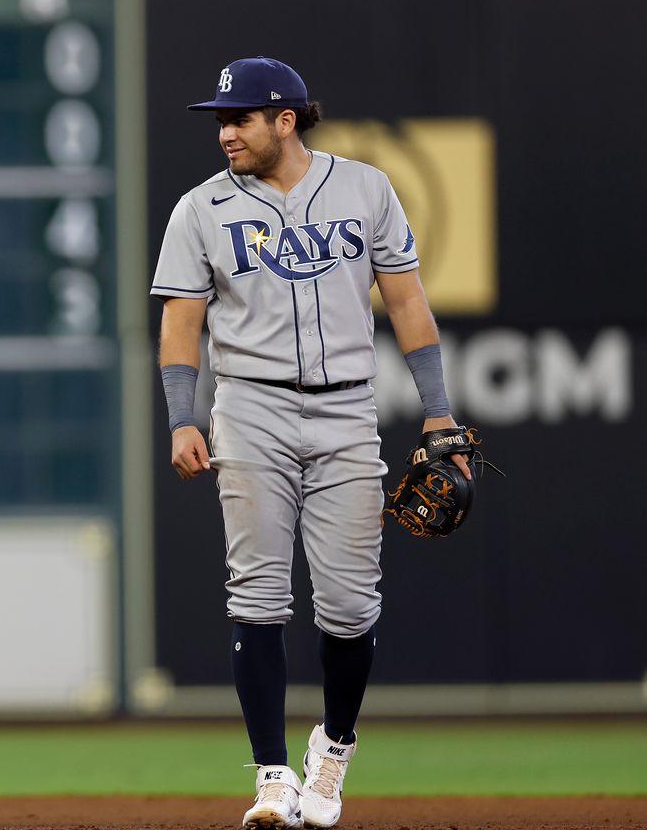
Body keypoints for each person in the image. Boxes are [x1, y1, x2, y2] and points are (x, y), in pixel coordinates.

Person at [150, 58, 470, 830]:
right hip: (250, 409)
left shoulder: (365, 189)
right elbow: (180, 323)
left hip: (346, 411)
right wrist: (181, 417)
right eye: (220, 120)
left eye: (241, 118)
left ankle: (332, 752)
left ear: (285, 119)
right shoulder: (201, 208)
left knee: (351, 609)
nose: (225, 132)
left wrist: (440, 414)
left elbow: (407, 303)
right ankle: (271, 777)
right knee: (256, 596)